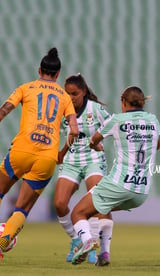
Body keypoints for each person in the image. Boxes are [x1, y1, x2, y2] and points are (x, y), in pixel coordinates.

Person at [0, 47, 79, 266]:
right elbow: (74, 130)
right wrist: (62, 152)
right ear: (58, 74)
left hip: (20, 151)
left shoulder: (26, 88)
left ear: (39, 70)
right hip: (46, 158)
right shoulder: (65, 97)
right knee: (22, 208)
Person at [70, 86, 160, 265]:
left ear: (123, 102)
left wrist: (95, 145)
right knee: (101, 210)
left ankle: (88, 241)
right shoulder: (153, 120)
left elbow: (94, 140)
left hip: (119, 184)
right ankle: (104, 255)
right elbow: (157, 144)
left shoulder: (117, 120)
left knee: (78, 213)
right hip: (141, 192)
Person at [53, 73, 113, 265]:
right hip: (71, 160)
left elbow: (112, 126)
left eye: (74, 94)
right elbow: (69, 135)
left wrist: (98, 141)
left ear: (84, 92)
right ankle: (77, 240)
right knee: (59, 204)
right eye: (67, 93)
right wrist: (62, 151)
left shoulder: (94, 109)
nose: (70, 98)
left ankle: (93, 248)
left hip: (93, 159)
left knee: (95, 203)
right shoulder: (63, 109)